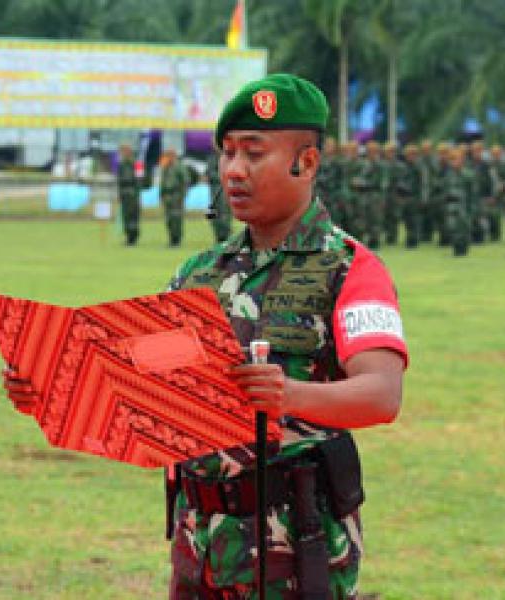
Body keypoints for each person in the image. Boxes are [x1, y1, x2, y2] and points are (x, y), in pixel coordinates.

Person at [167, 73, 407, 599]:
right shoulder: (197, 273)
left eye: (254, 154)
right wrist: (50, 385)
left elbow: (381, 394)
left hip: (293, 548)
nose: (234, 170)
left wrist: (289, 396)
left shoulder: (350, 268)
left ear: (307, 162)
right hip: (199, 541)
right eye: (227, 153)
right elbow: (148, 374)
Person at [443, 146, 473, 256]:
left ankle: (463, 248)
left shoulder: (468, 175)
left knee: (464, 229)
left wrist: (473, 210)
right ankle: (456, 248)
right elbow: (445, 191)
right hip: (451, 207)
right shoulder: (448, 175)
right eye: (452, 159)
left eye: (456, 159)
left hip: (464, 207)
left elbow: (473, 194)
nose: (454, 162)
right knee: (453, 228)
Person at [160, 148, 192, 247]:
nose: (167, 158)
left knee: (176, 218)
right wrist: (162, 196)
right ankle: (171, 239)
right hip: (167, 196)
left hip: (176, 195)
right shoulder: (165, 167)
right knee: (169, 219)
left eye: (169, 155)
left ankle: (177, 240)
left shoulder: (179, 167)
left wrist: (182, 196)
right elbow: (163, 183)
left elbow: (186, 181)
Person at [396, 143, 423, 248]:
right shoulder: (403, 167)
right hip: (405, 197)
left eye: (412, 155)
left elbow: (423, 183)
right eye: (408, 155)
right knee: (407, 220)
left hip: (415, 197)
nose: (410, 157)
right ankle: (409, 239)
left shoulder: (419, 167)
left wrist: (423, 198)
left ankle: (414, 240)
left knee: (414, 220)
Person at [116, 144, 142, 246]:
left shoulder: (137, 163)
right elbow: (119, 181)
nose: (121, 154)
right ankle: (128, 237)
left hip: (133, 193)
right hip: (124, 193)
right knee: (126, 216)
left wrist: (136, 194)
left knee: (133, 216)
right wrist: (119, 194)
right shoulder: (121, 164)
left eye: (123, 151)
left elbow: (140, 180)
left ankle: (133, 237)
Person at [207, 151, 233, 243]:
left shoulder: (229, 156)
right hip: (214, 189)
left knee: (224, 213)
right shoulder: (212, 157)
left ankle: (226, 236)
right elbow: (209, 173)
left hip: (224, 189)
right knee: (213, 214)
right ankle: (219, 236)